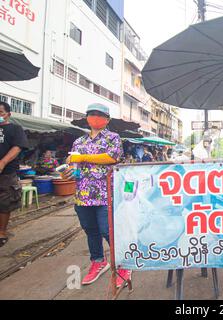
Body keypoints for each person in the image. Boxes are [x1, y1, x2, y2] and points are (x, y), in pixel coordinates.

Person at [62, 103, 131, 288]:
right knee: (90, 230)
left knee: (106, 230)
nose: (95, 117)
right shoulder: (79, 142)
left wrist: (82, 158)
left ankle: (124, 264)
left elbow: (112, 157)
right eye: (92, 114)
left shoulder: (113, 138)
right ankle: (98, 262)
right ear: (87, 118)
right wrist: (68, 169)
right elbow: (73, 164)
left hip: (104, 192)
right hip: (82, 194)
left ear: (107, 119)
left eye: (100, 115)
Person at [0, 102, 29, 247]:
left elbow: (17, 147)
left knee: (5, 203)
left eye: (1, 112)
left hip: (6, 173)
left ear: (8, 114)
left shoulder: (15, 129)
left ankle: (2, 232)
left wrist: (3, 162)